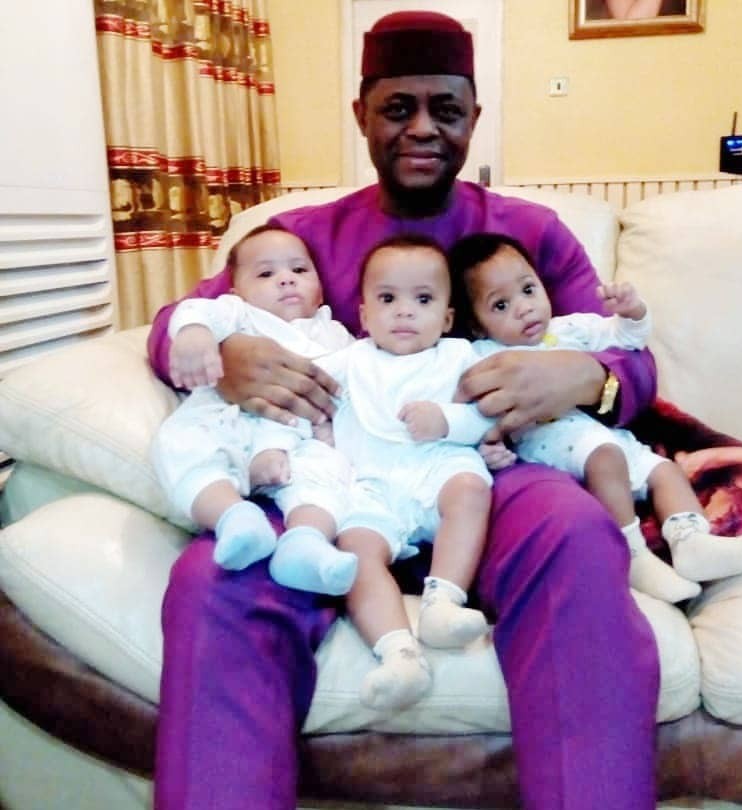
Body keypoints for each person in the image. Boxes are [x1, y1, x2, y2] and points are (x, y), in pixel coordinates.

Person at [148, 11, 661, 809]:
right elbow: (179, 323)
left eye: (445, 108)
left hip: (489, 470)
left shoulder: (528, 232)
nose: (422, 128)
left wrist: (582, 376)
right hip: (328, 473)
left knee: (575, 532)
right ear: (361, 114)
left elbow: (627, 353)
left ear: (474, 117)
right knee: (216, 577)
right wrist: (229, 354)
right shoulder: (301, 235)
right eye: (398, 107)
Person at [448, 231, 742, 604]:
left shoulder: (570, 329)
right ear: (477, 325)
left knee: (663, 470)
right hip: (550, 446)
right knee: (605, 456)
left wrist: (633, 312)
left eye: (528, 290)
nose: (524, 308)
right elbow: (475, 414)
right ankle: (632, 555)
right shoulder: (484, 355)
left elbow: (627, 339)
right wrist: (490, 448)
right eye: (501, 305)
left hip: (604, 434)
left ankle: (692, 542)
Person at [317, 235, 493, 711]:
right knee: (353, 550)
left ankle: (442, 604)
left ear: (448, 318)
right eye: (388, 298)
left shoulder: (459, 356)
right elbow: (300, 379)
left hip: (439, 466)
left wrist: (449, 421)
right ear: (364, 315)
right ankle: (398, 653)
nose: (404, 312)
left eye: (423, 299)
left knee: (471, 489)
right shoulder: (351, 360)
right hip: (370, 484)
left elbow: (489, 414)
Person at [151, 224, 358, 595]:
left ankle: (305, 544)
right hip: (233, 419)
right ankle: (233, 517)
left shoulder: (335, 333)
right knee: (182, 442)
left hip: (301, 437)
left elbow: (352, 383)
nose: (286, 279)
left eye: (299, 270)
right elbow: (196, 310)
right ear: (237, 291)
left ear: (319, 289)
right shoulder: (238, 314)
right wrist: (195, 333)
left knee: (330, 475)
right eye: (265, 274)